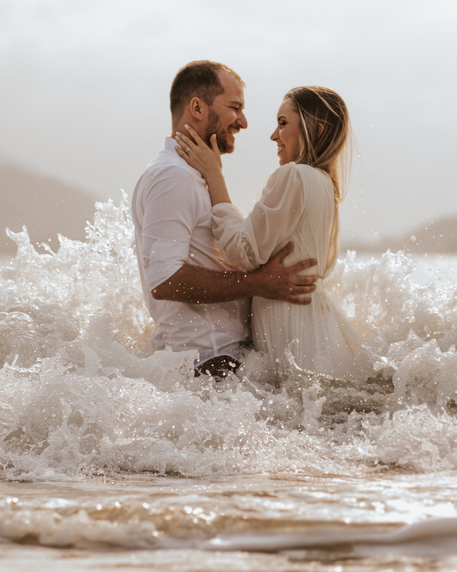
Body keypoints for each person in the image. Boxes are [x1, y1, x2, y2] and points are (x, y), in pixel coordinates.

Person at [132, 61, 321, 379]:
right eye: (235, 107)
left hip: (218, 362)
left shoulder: (193, 176)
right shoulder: (173, 177)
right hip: (207, 365)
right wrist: (260, 284)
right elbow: (165, 280)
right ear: (197, 107)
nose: (244, 122)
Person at [175, 85, 372, 383]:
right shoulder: (323, 184)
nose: (273, 136)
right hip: (314, 324)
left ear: (315, 130)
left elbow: (241, 251)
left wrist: (215, 176)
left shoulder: (294, 175)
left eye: (283, 124)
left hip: (295, 331)